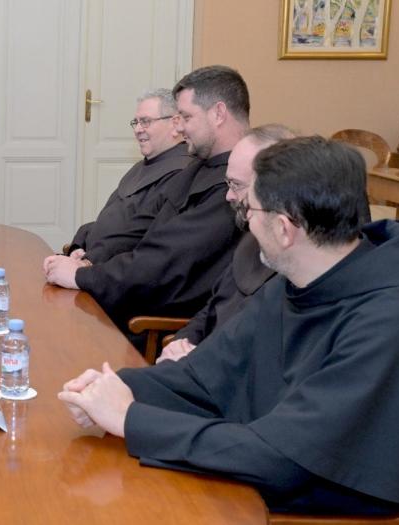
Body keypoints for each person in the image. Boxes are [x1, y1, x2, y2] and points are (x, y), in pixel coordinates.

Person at [59, 136, 399, 517]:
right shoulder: (301, 280)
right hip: (285, 455)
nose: (245, 221)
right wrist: (118, 389)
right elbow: (204, 375)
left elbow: (285, 458)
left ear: (284, 228)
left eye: (250, 208)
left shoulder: (392, 319)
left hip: (359, 493)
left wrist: (131, 419)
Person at [45, 65, 248, 332]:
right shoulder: (196, 169)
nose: (180, 127)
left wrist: (81, 275)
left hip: (151, 324)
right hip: (129, 293)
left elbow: (163, 262)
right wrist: (87, 258)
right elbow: (141, 234)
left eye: (186, 117)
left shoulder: (232, 186)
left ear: (219, 113)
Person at [156, 124, 293, 362]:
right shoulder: (250, 239)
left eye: (236, 185)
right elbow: (212, 309)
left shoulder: (294, 265)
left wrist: (196, 359)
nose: (228, 195)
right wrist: (181, 342)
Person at [48, 88, 193, 268]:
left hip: (121, 272)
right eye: (136, 122)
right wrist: (79, 245)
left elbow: (140, 236)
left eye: (145, 122)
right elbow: (109, 221)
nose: (138, 130)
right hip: (94, 260)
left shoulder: (181, 173)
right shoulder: (141, 166)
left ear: (175, 123)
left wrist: (89, 260)